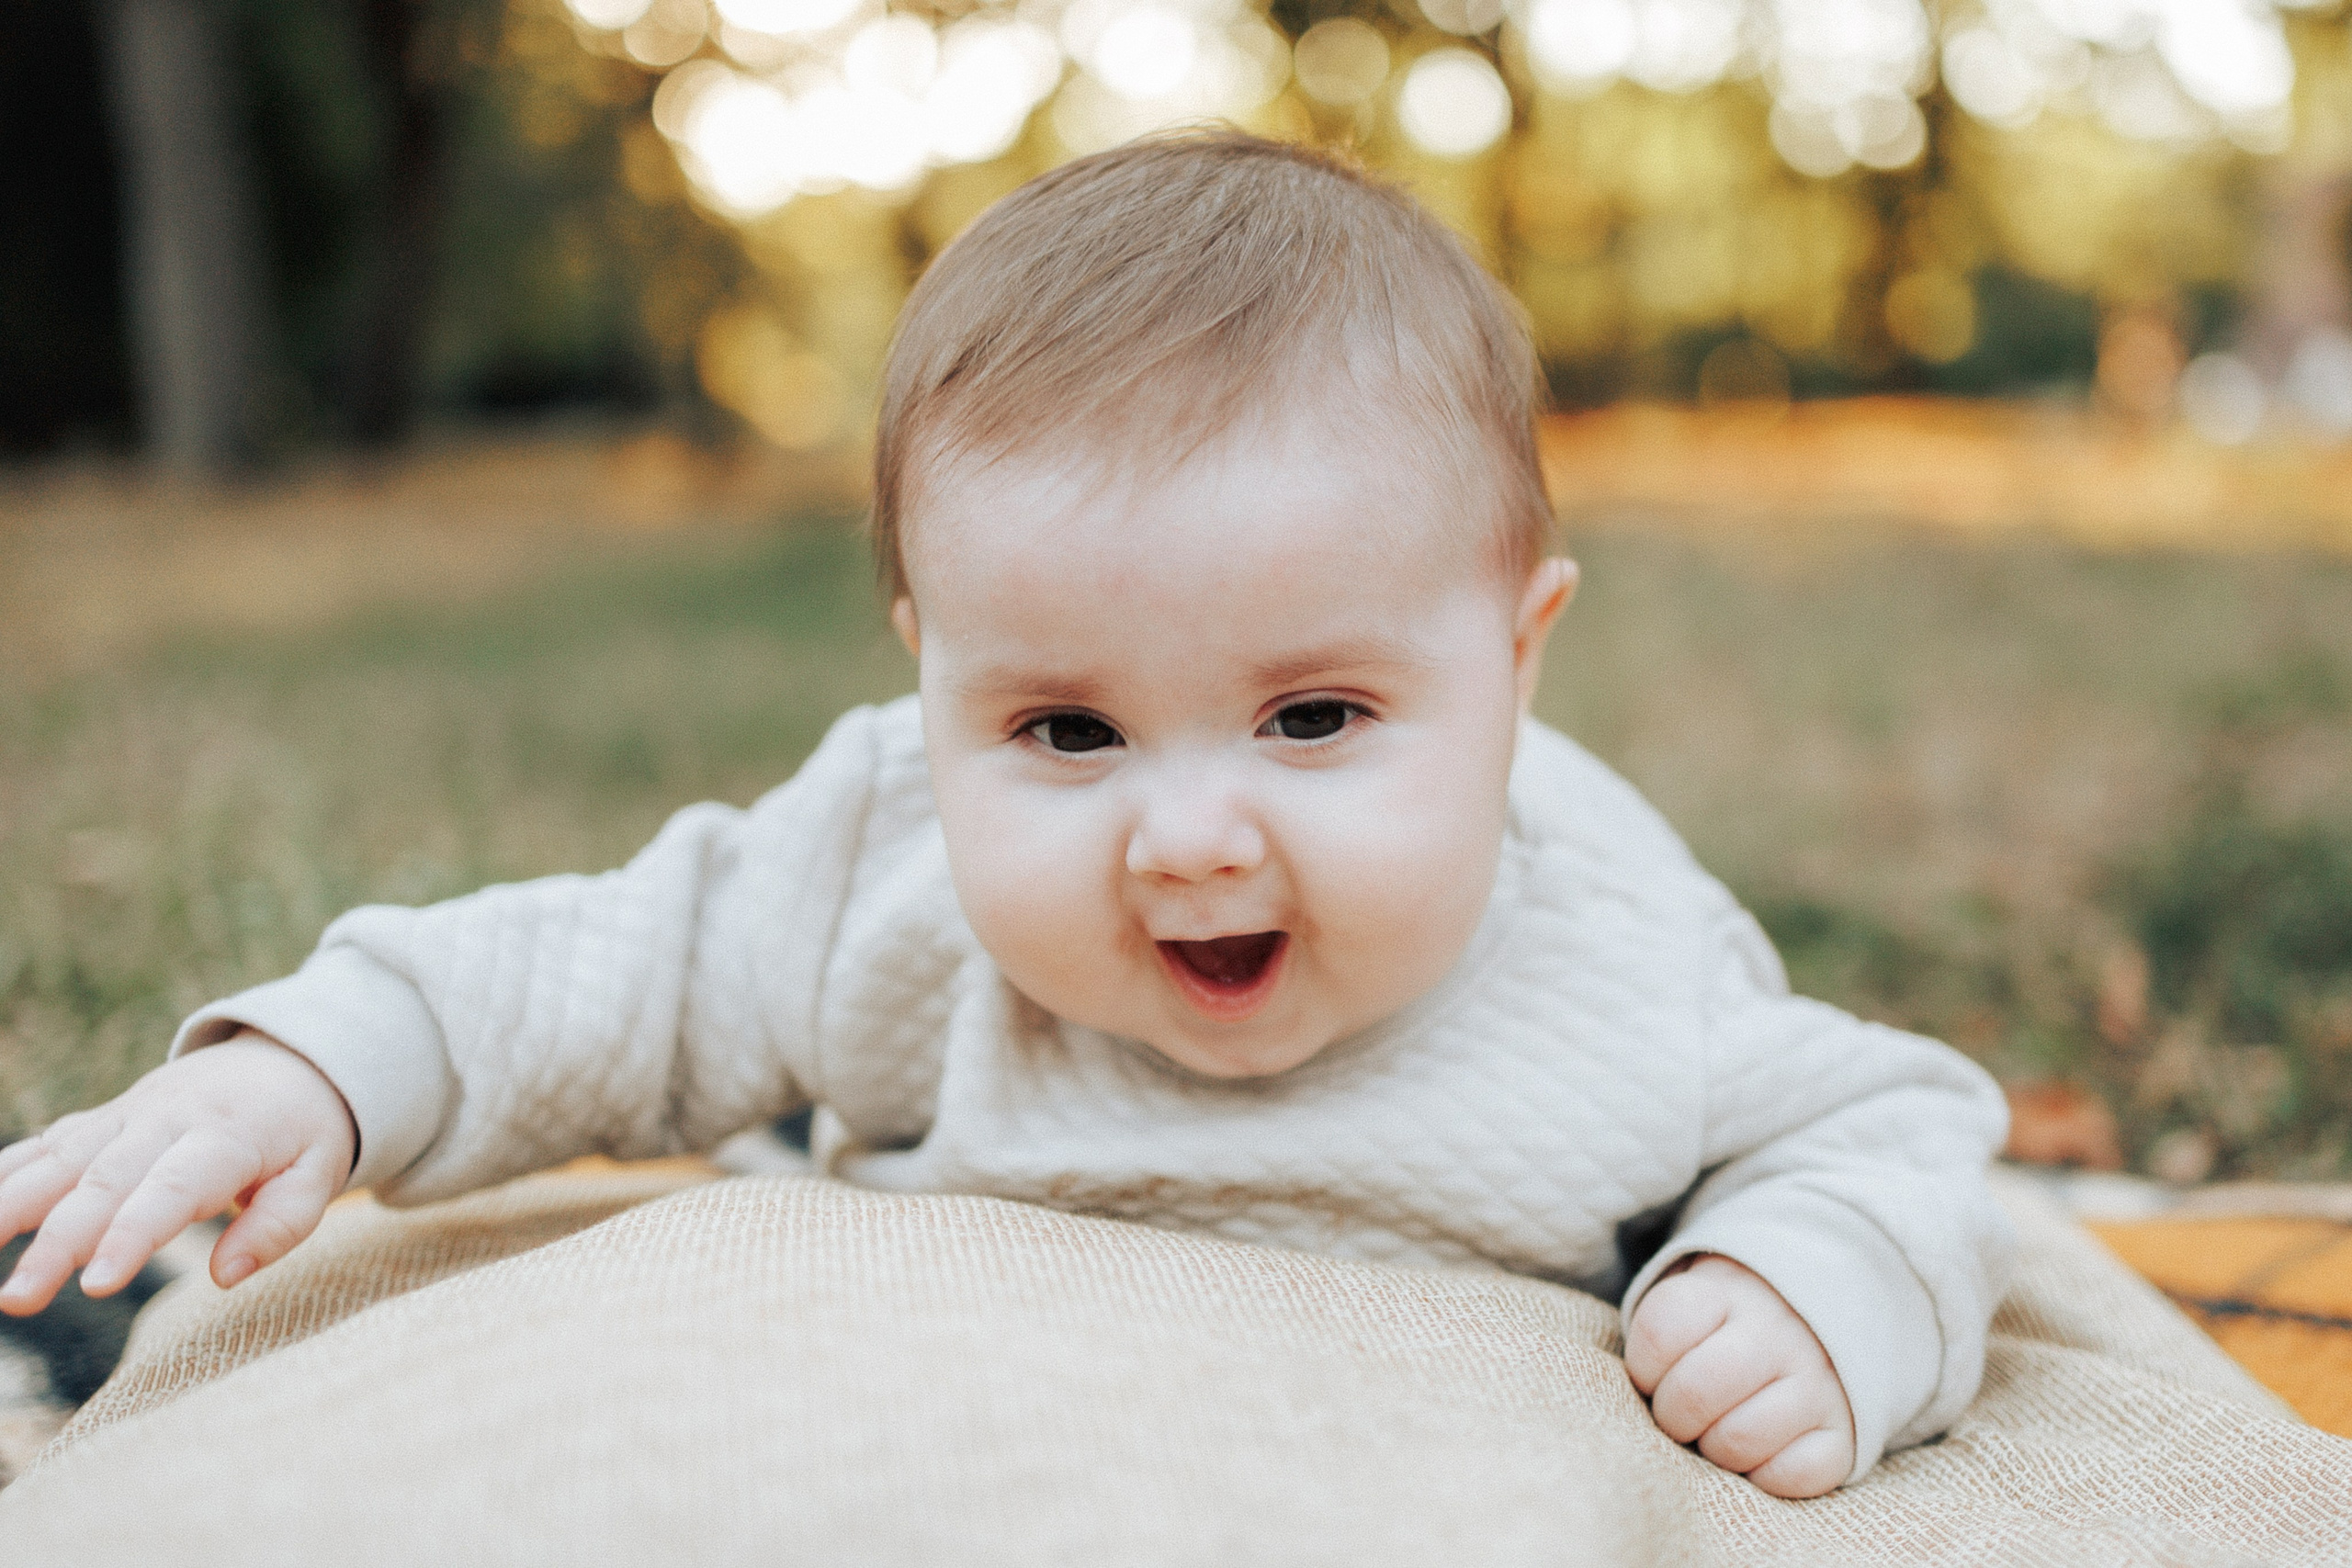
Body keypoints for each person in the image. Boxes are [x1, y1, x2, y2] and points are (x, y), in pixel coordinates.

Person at [0, 132, 2010, 1498]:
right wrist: (326, 1070)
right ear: (924, 670)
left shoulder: (1620, 968)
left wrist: (1804, 1280)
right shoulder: (887, 867)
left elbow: (1888, 1123)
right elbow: (613, 960)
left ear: (1518, 668)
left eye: (1311, 714)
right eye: (1063, 728)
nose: (1187, 833)